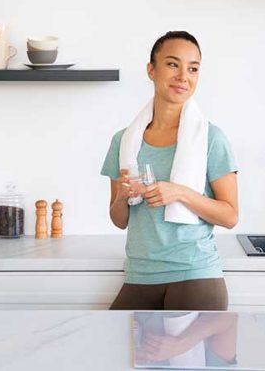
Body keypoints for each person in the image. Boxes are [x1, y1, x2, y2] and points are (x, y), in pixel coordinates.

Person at [101, 31, 238, 310]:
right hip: (140, 274)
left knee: (176, 352)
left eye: (193, 68)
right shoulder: (124, 141)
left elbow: (230, 216)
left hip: (194, 273)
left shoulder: (211, 138)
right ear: (151, 70)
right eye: (173, 64)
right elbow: (119, 220)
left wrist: (179, 193)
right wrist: (121, 198)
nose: (183, 76)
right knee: (112, 349)